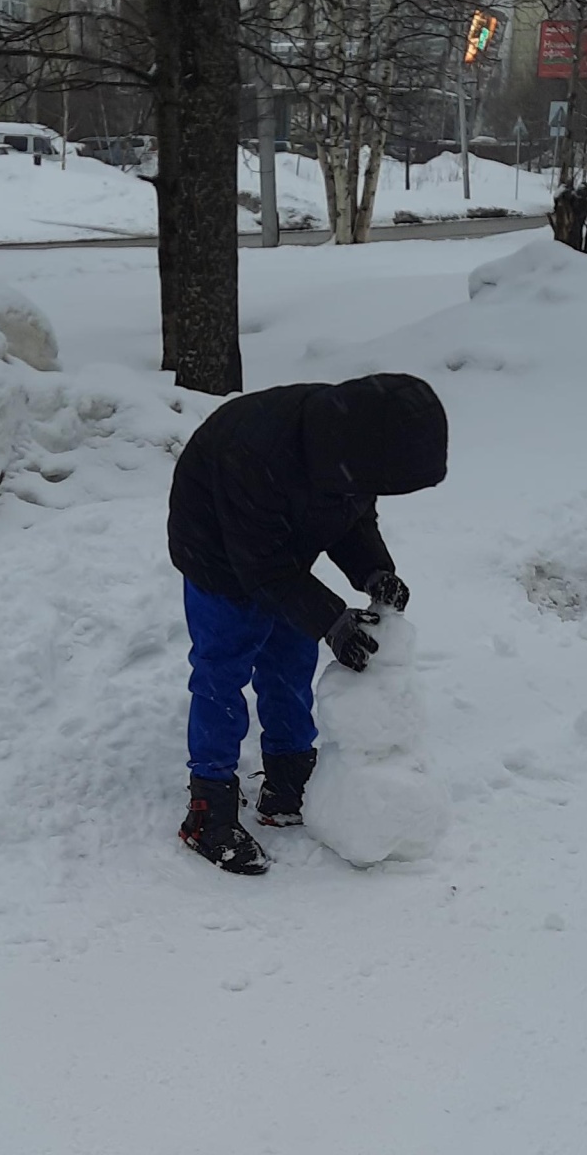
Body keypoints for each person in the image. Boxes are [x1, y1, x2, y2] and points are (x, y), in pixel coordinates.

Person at [166, 371, 449, 874]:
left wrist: (373, 569)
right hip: (214, 549)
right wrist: (331, 619)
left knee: (291, 659)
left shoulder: (350, 447)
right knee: (222, 669)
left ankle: (287, 775)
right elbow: (260, 564)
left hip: (279, 548)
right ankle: (208, 805)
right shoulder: (256, 453)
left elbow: (350, 517)